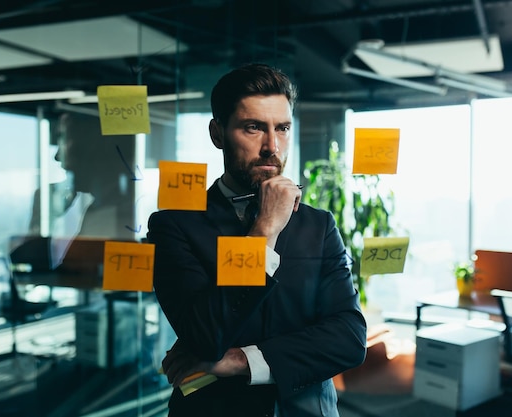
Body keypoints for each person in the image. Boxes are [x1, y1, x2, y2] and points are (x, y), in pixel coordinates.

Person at [147, 63, 367, 417]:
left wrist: (239, 360)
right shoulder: (173, 226)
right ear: (217, 133)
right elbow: (205, 336)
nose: (272, 146)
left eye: (282, 128)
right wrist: (263, 231)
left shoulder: (319, 225)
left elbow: (349, 339)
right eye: (253, 128)